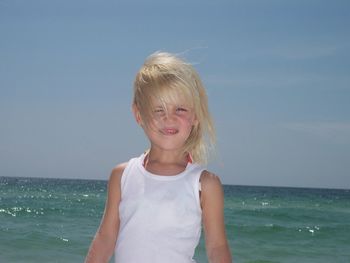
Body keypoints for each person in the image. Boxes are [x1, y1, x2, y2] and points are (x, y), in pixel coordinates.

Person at [85, 51, 232, 263]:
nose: (168, 118)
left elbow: (217, 248)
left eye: (180, 109)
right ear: (139, 115)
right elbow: (105, 238)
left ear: (195, 116)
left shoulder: (205, 184)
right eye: (158, 109)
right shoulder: (122, 176)